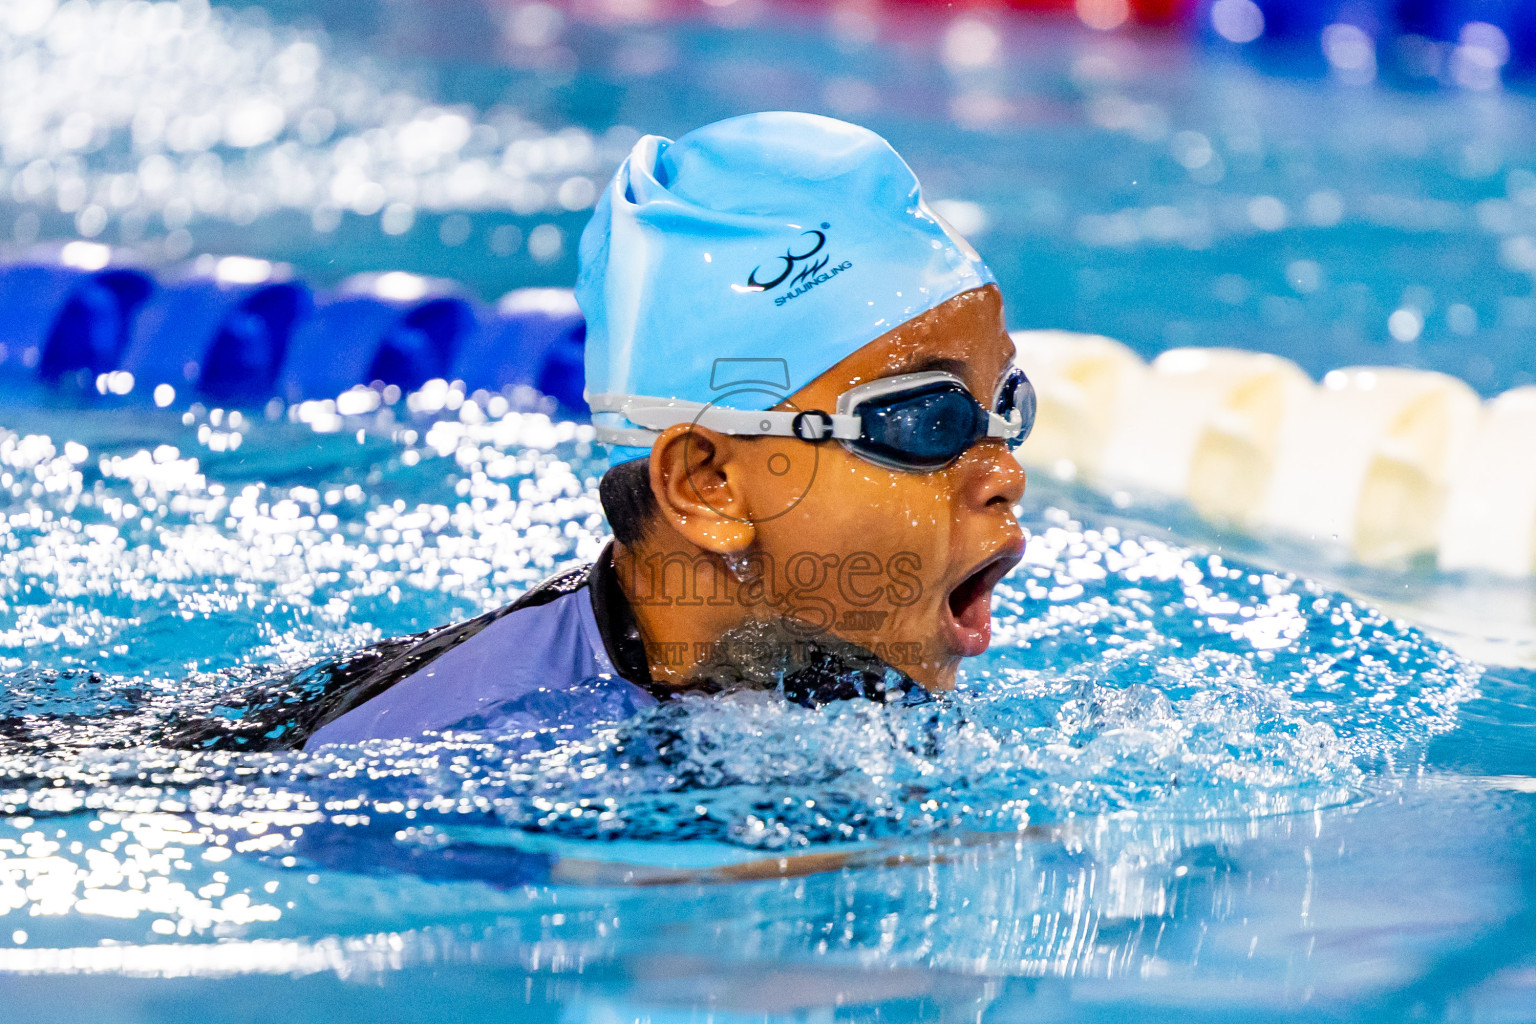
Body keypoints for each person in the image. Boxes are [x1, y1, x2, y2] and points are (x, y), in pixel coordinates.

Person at [295, 111, 1033, 750]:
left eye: (1008, 402)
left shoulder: (834, 667)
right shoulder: (459, 749)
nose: (1006, 475)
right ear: (708, 484)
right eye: (927, 419)